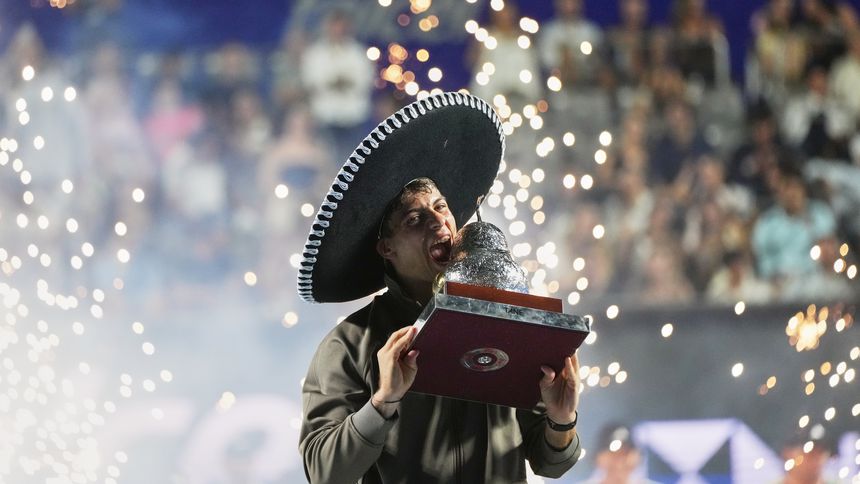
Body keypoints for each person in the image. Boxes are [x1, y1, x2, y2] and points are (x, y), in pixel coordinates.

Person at [297, 92, 582, 483]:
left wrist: (561, 421)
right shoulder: (351, 343)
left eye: (441, 206)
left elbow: (551, 463)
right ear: (387, 248)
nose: (439, 222)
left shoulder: (508, 321)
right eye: (415, 218)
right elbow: (323, 472)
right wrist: (382, 403)